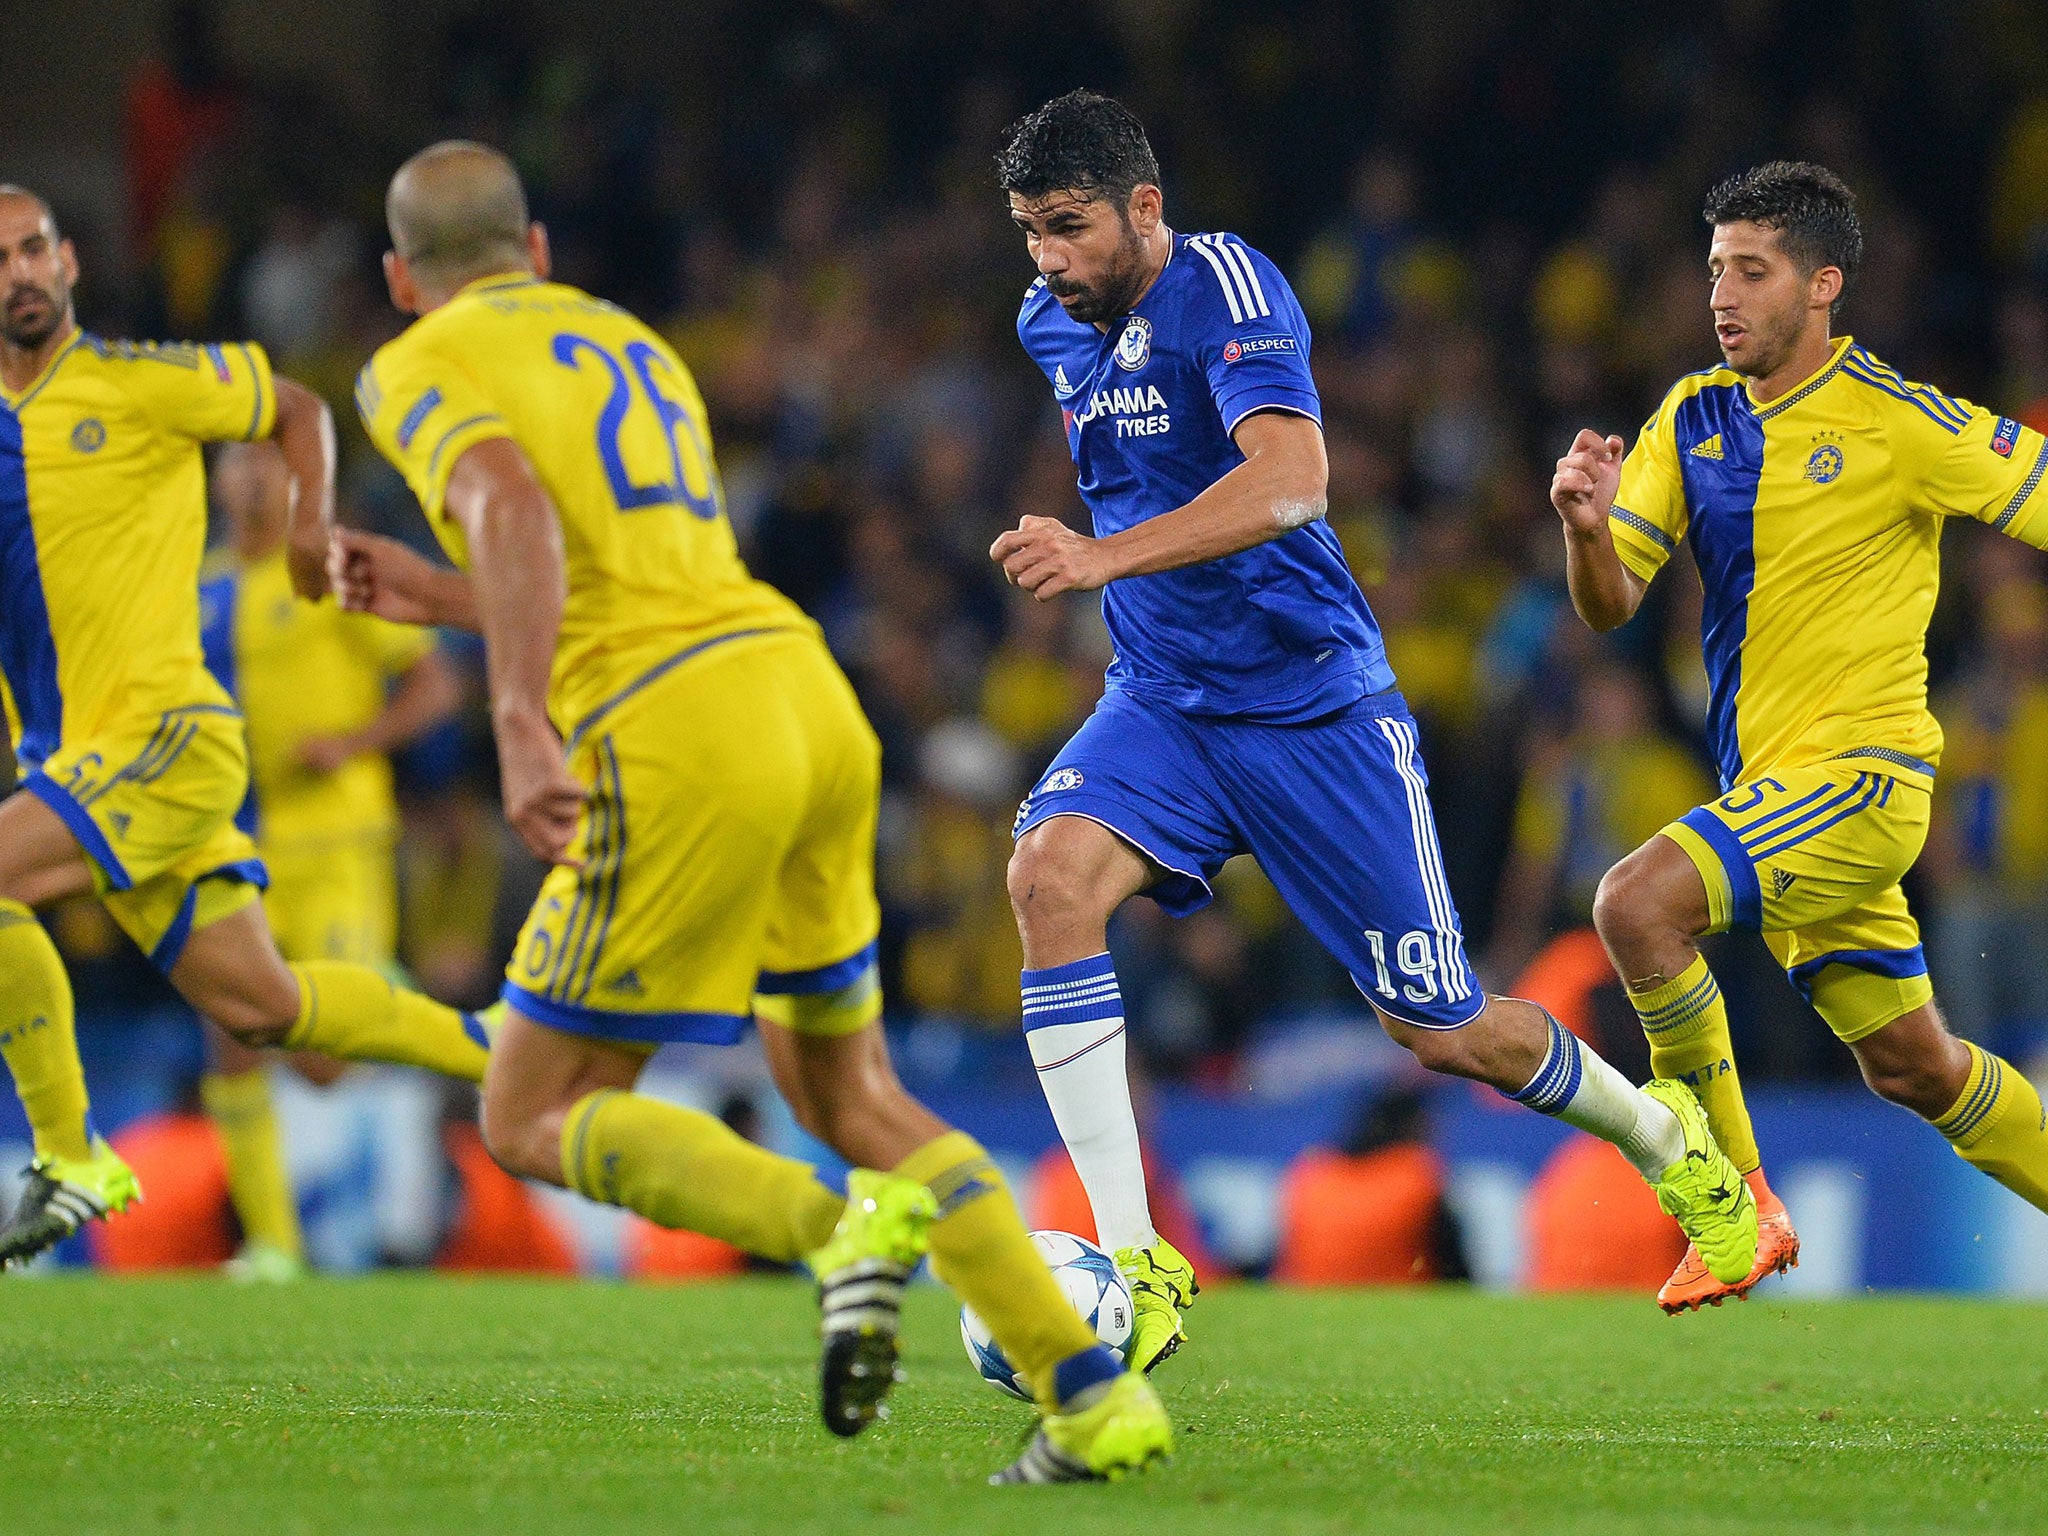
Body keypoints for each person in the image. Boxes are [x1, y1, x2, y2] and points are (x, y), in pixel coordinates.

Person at [333, 140, 1167, 1483]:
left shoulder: (416, 360)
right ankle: (1089, 1396)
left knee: (529, 1108)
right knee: (847, 1088)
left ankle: (835, 1234)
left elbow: (508, 513)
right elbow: (604, 568)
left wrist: (517, 720)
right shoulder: (631, 343)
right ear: (537, 253)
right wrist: (436, 595)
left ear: (400, 278)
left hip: (678, 729)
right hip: (799, 694)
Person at [988, 89, 1756, 1374]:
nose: (1047, 261)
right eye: (1025, 233)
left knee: (1442, 1030)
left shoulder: (1227, 289)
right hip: (1166, 703)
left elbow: (1292, 484)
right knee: (1044, 880)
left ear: (1143, 208)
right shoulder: (1046, 321)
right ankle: (1137, 1261)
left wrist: (1099, 556)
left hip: (1313, 713)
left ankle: (1667, 1142)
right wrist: (1114, 578)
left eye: (1067, 228)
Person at [1551, 161, 2048, 1314]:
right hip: (1771, 803)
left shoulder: (1898, 420)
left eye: (1751, 271)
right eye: (1713, 268)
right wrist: (1583, 530)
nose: (1720, 293)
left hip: (1862, 783)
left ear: (1822, 284)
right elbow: (1610, 601)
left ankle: (1730, 1204)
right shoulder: (1689, 414)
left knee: (1634, 904)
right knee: (1910, 1067)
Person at [0, 186, 491, 1266]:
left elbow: (297, 408)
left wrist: (314, 527)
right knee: (270, 1016)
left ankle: (70, 1153)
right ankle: (508, 1044)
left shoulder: (143, 382)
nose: (20, 272)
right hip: (84, 766)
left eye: (34, 248)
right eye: (1, 259)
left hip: (163, 746)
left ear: (70, 261)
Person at [196, 440, 462, 1279]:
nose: (249, 478)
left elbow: (437, 685)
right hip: (229, 850)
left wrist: (353, 742)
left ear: (298, 478)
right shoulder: (196, 586)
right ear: (215, 478)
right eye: (236, 462)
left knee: (322, 1062)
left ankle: (396, 997)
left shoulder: (332, 570)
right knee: (232, 1037)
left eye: (267, 463)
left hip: (337, 846)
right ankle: (272, 1244)